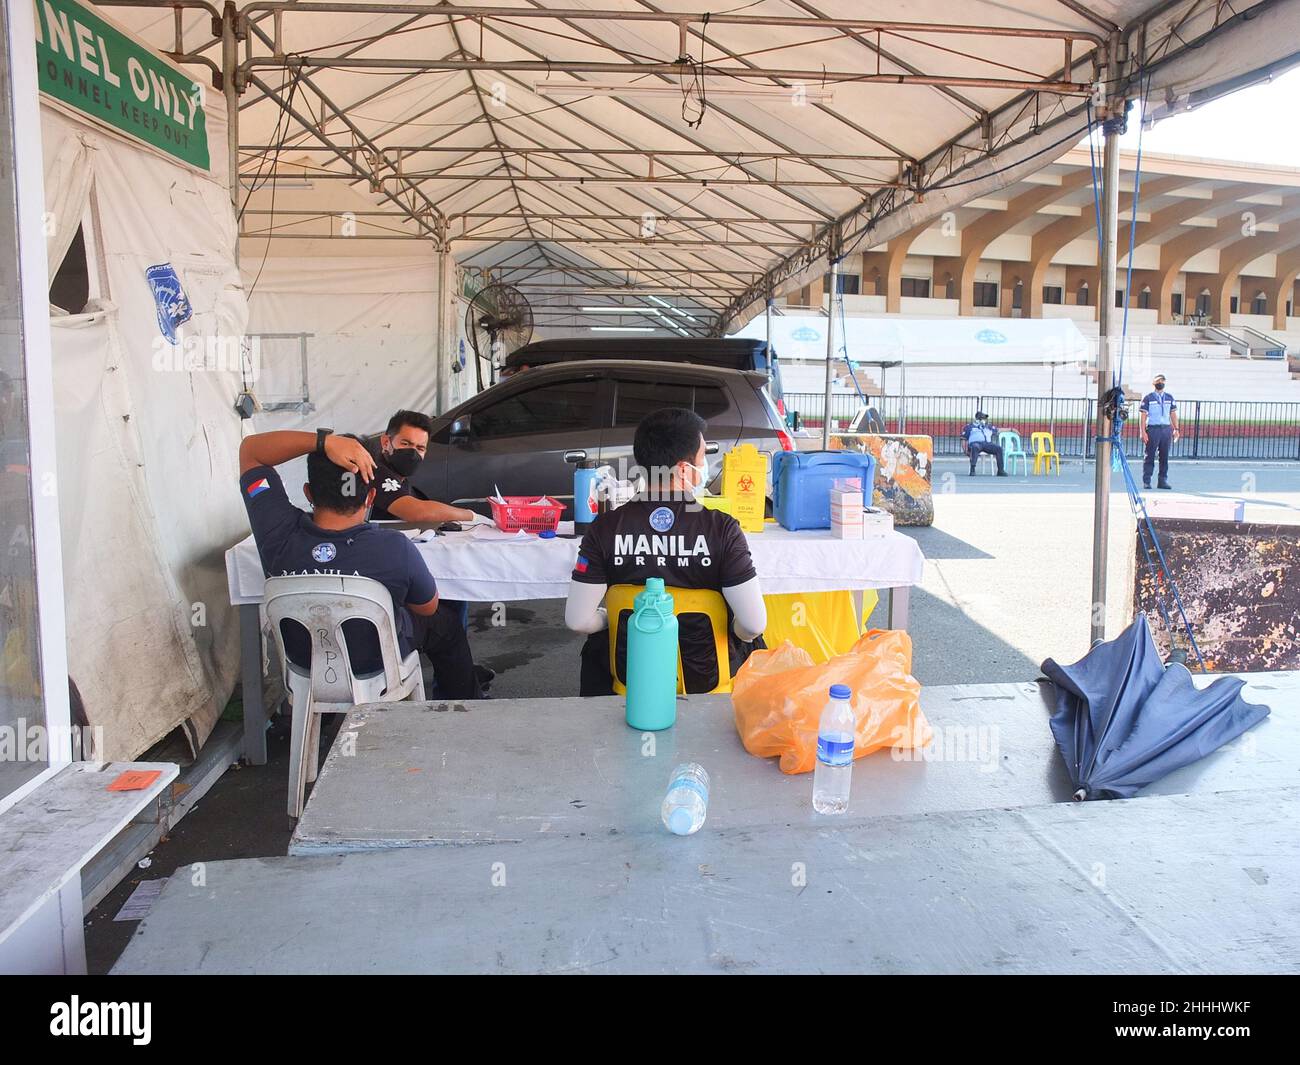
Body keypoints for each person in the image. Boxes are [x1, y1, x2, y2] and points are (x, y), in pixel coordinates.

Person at [238, 428, 484, 698]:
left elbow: (251, 451)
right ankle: (461, 710)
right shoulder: (394, 547)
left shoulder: (275, 531)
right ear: (370, 497)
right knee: (446, 625)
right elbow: (427, 607)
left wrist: (324, 442)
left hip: (304, 661)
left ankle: (328, 717)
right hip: (375, 661)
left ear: (308, 493)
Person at [564, 407, 767, 696]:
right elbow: (753, 623)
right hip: (708, 684)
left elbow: (578, 620)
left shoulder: (605, 528)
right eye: (702, 458)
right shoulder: (722, 529)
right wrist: (727, 629)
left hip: (629, 681)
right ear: (685, 469)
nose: (705, 465)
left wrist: (619, 618)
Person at [364, 409, 479, 524]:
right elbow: (418, 512)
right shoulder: (374, 471)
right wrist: (472, 516)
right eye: (405, 443)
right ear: (385, 442)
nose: (413, 454)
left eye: (420, 448)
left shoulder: (402, 481)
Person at [1139, 373, 1179, 490]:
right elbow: (1143, 416)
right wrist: (1143, 431)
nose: (1160, 383)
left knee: (1164, 456)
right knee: (1149, 455)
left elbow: (1173, 414)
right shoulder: (1148, 398)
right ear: (1154, 383)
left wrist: (1176, 429)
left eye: (1162, 381)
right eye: (1158, 381)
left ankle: (1162, 481)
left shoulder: (1169, 398)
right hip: (1153, 429)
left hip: (1166, 429)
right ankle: (1147, 481)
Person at [961, 410, 1008, 476]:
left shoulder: (988, 426)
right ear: (977, 419)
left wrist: (1011, 429)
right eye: (982, 418)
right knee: (975, 447)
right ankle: (972, 469)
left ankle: (1001, 470)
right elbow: (964, 439)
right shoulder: (969, 427)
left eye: (985, 418)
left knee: (999, 448)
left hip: (987, 444)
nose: (985, 420)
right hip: (975, 444)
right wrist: (965, 451)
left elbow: (999, 430)